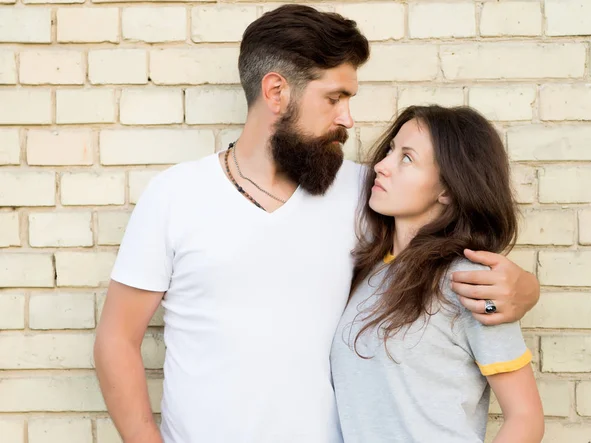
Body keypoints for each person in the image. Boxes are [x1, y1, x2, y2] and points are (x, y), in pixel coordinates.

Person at [93, 5, 540, 443]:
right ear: (276, 92)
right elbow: (117, 340)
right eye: (334, 98)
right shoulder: (175, 195)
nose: (347, 117)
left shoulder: (367, 194)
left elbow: (440, 245)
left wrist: (523, 288)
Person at [331, 105, 544, 443]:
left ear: (447, 189)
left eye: (407, 158)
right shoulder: (367, 271)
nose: (382, 166)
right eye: (390, 151)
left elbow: (526, 417)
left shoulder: (470, 281)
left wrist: (529, 289)